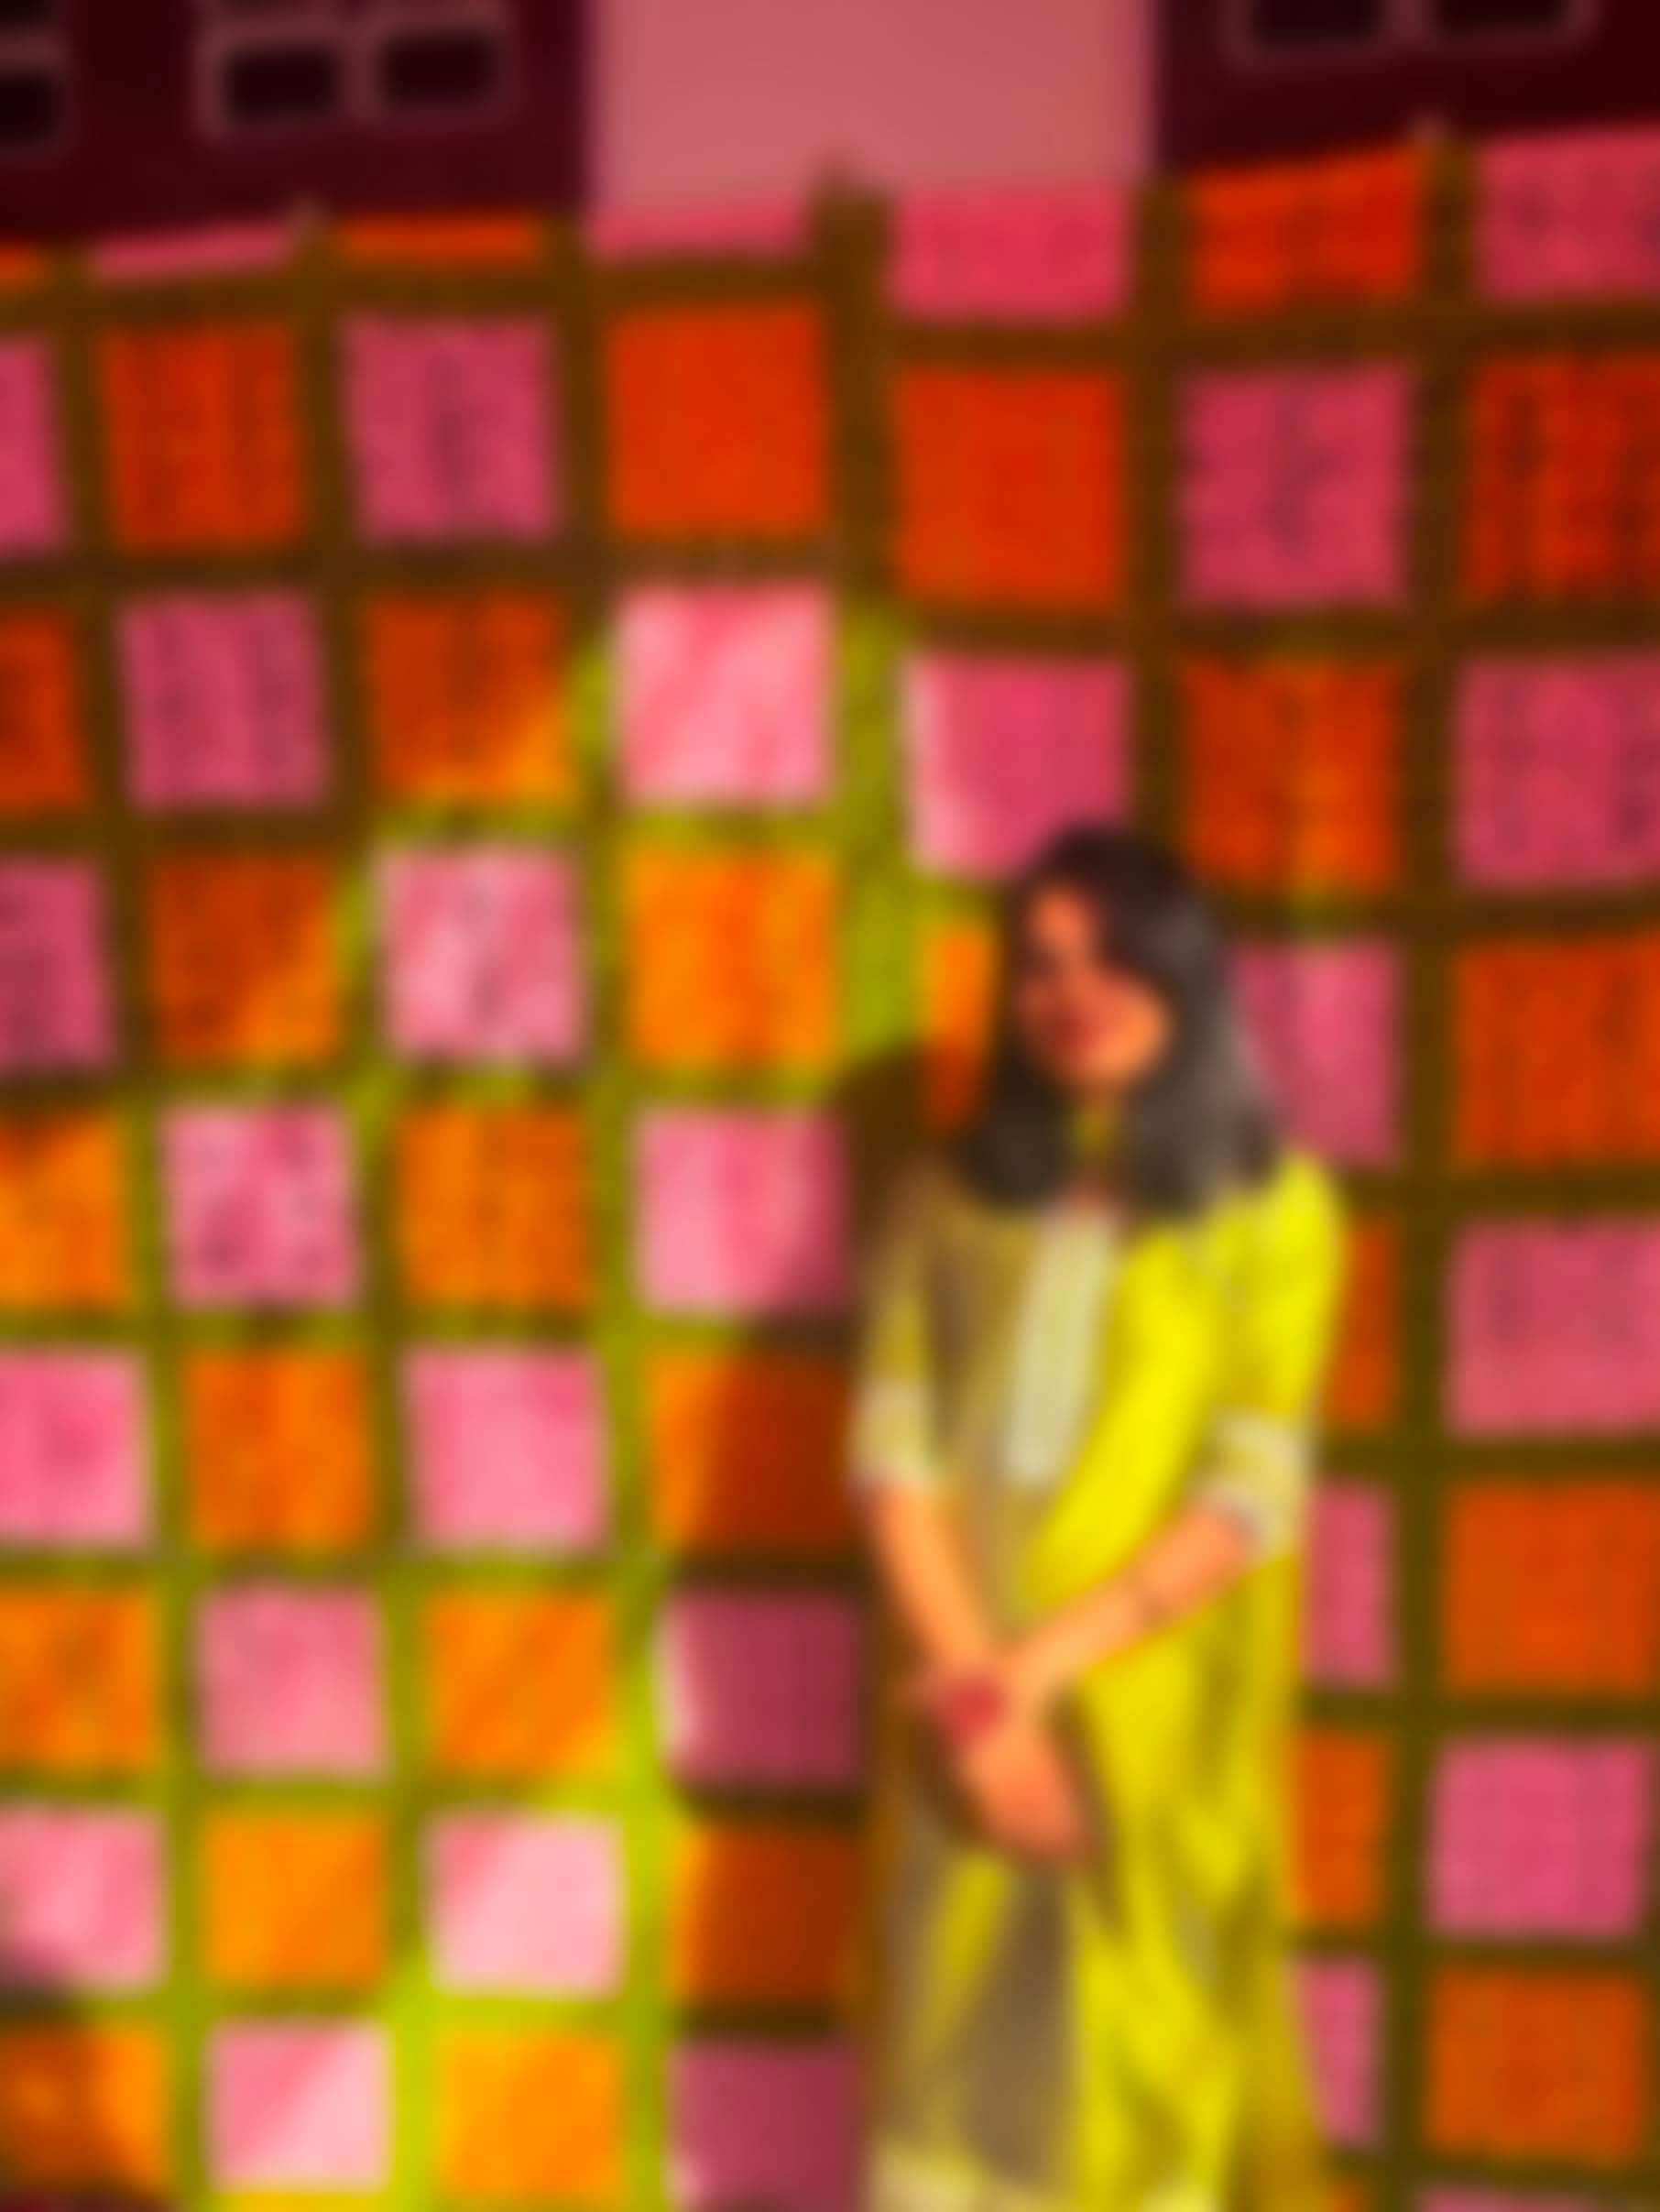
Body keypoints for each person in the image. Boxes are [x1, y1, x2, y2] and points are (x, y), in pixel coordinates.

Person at [846, 822, 1351, 2212]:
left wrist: (1030, 1677)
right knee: (954, 2042)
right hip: (957, 1687)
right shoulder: (947, 1200)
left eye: (1114, 957)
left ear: (1186, 975)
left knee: (1136, 2062)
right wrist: (978, 1698)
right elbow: (893, 1452)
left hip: (1151, 1708)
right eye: (1041, 963)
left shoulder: (1272, 1211)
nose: (1072, 992)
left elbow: (1251, 1489)